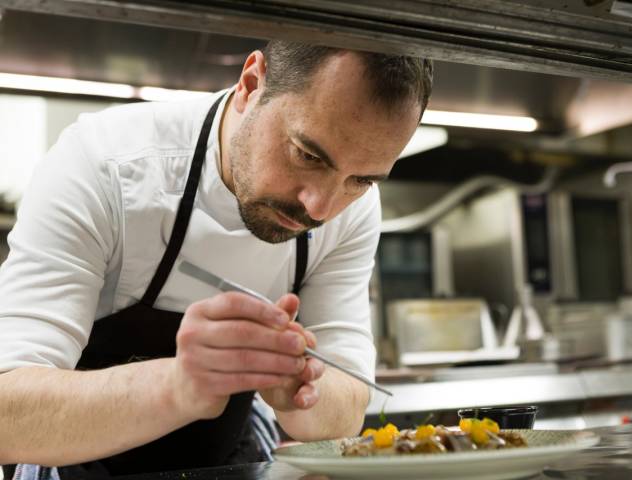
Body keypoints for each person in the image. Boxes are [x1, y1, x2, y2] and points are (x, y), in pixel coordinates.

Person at [0, 40, 433, 478]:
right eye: (307, 155)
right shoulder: (104, 165)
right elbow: (7, 415)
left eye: (360, 180)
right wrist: (181, 386)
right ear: (250, 84)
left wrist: (299, 386)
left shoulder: (352, 210)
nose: (319, 207)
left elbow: (347, 410)